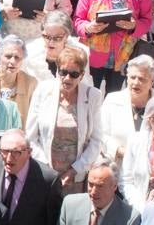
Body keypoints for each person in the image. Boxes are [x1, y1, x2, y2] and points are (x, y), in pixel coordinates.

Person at [72, 0, 152, 93]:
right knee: (88, 96)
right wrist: (89, 27)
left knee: (113, 100)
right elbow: (78, 19)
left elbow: (147, 21)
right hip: (93, 56)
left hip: (122, 57)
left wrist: (134, 26)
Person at [25, 45, 102, 186]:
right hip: (44, 173)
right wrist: (48, 169)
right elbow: (31, 137)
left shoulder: (93, 96)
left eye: (74, 74)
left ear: (82, 75)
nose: (67, 78)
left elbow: (96, 141)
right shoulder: (43, 90)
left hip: (76, 177)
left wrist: (74, 171)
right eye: (63, 72)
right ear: (57, 70)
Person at [98, 54, 154, 163]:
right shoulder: (112, 100)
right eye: (132, 77)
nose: (136, 82)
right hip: (115, 167)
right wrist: (119, 150)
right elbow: (100, 134)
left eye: (142, 79)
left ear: (152, 81)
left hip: (148, 168)